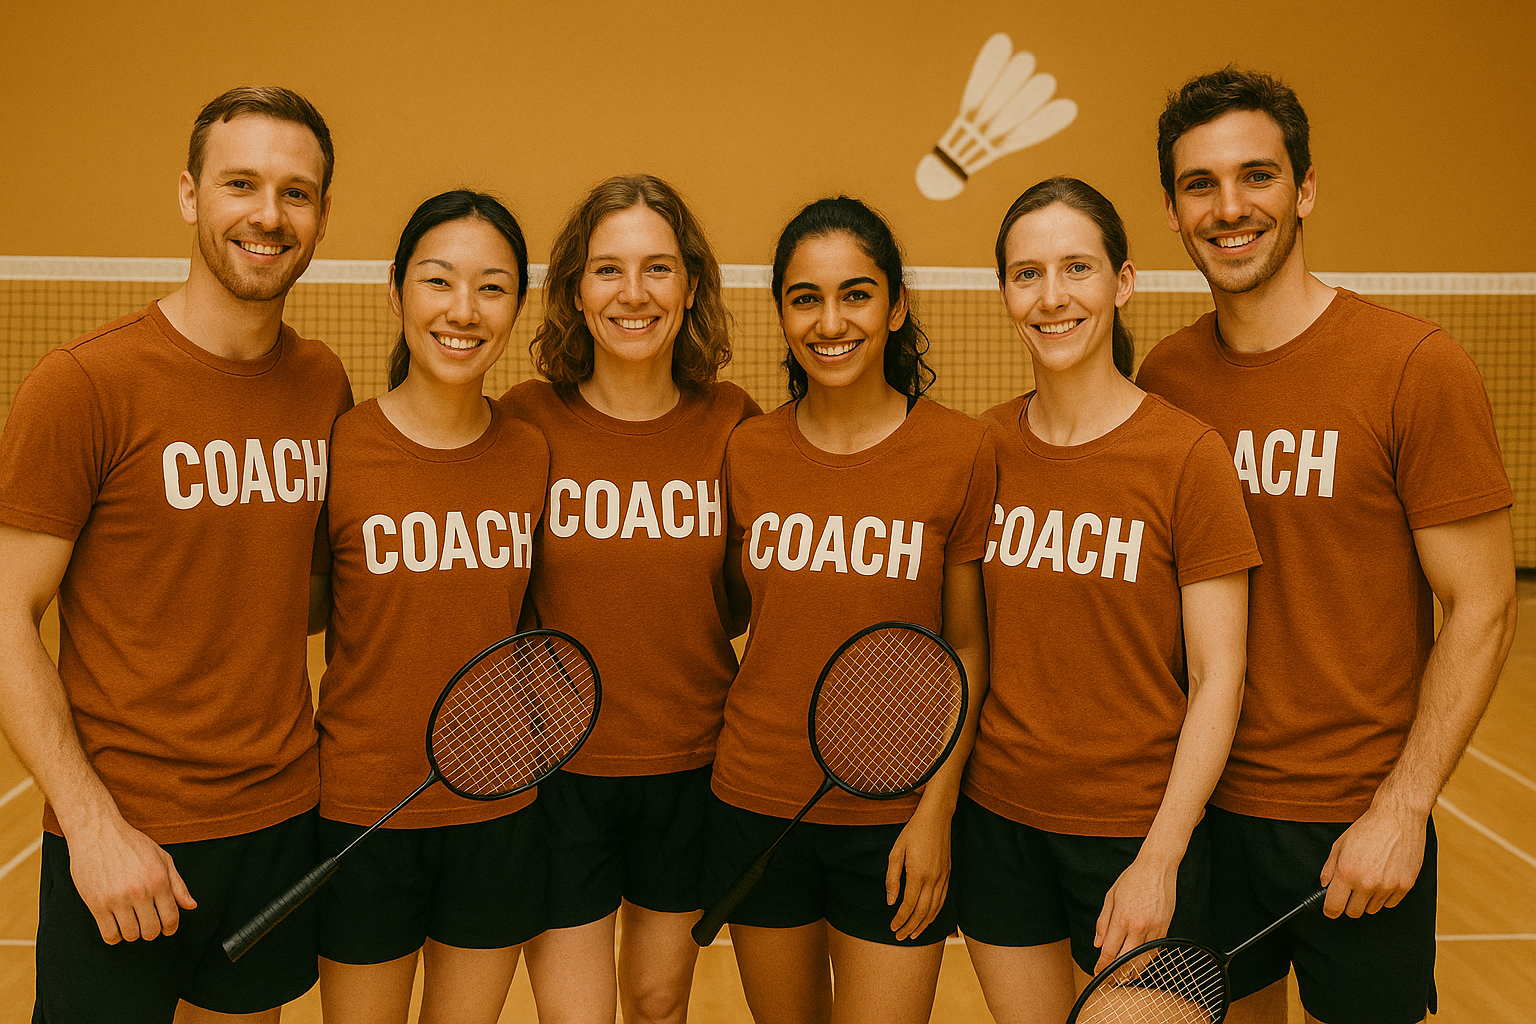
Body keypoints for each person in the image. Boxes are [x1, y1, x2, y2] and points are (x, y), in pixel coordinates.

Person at [1136, 68, 1518, 1024]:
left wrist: (1403, 810)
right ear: (1173, 212)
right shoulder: (1167, 376)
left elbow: (1483, 603)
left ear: (1305, 189)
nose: (1230, 208)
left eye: (1257, 176)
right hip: (1206, 811)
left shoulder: (1413, 369)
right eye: (1200, 185)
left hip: (1356, 821)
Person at [0, 87, 351, 1022]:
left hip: (278, 826)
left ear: (321, 215)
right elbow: (3, 619)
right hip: (123, 837)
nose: (268, 215)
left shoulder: (323, 383)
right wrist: (90, 826)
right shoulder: (83, 384)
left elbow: (303, 595)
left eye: (296, 192)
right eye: (241, 183)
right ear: (191, 196)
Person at [953, 176, 1258, 1024]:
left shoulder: (1187, 456)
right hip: (1000, 825)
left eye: (1077, 268)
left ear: (1123, 284)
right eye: (1027, 274)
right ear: (1006, 291)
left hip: (1133, 834)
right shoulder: (984, 448)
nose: (1052, 297)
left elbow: (1219, 676)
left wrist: (1161, 857)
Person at [704, 196, 993, 1024]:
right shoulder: (748, 450)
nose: (831, 321)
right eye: (806, 298)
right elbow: (719, 608)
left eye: (856, 294)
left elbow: (967, 649)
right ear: (784, 314)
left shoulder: (961, 451)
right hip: (758, 802)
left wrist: (936, 812)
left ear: (896, 306)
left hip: (900, 819)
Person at [503, 174, 759, 1024]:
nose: (633, 293)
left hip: (689, 769)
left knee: (656, 1005)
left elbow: (736, 602)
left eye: (657, 268)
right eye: (608, 269)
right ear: (576, 289)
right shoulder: (524, 420)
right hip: (557, 774)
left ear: (690, 287)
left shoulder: (734, 423)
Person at [313, 190, 548, 1024]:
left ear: (518, 306)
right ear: (395, 291)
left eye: (492, 287)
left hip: (499, 811)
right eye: (439, 281)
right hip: (361, 809)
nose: (463, 310)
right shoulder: (339, 446)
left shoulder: (530, 451)